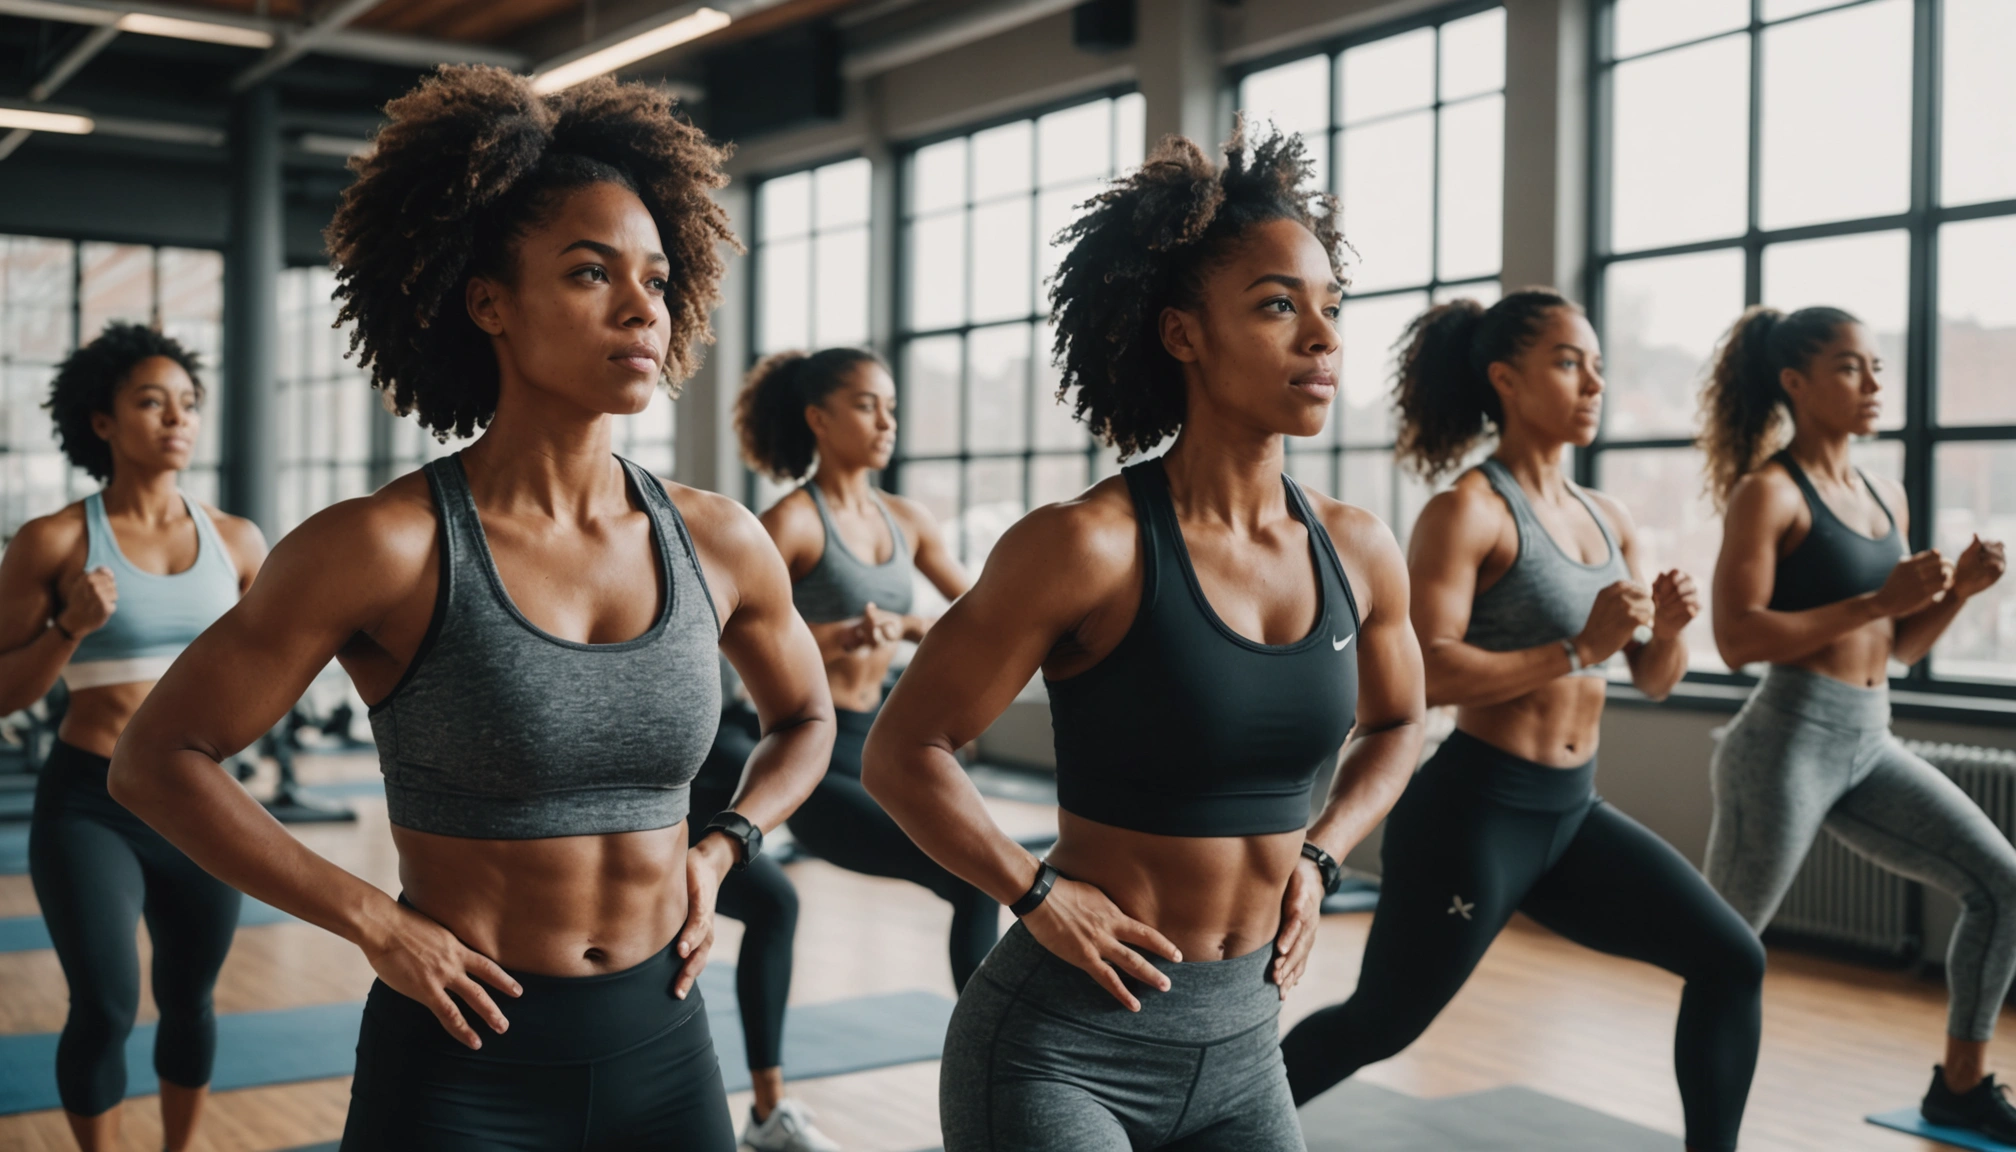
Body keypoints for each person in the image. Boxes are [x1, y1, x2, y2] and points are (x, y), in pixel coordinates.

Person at [105, 66, 835, 1151]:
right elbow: (157, 759)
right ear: (487, 300)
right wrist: (371, 920)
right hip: (459, 1070)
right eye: (591, 274)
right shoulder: (386, 546)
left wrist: (727, 844)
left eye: (656, 277)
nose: (641, 308)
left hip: (664, 1048)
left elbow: (806, 720)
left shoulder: (719, 538)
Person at [862, 125, 1427, 1152]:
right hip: (1061, 1051)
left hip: (1247, 1044)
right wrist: (1032, 894)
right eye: (1276, 306)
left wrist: (1324, 854)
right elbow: (903, 750)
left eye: (1329, 310)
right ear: (1181, 334)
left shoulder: (1359, 549)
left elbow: (1399, 723)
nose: (1322, 339)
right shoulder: (1087, 546)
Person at [1280, 289, 1767, 1152]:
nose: (1593, 385)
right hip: (1476, 813)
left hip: (1571, 813)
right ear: (1506, 378)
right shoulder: (1468, 510)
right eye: (1569, 363)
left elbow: (1651, 677)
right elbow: (1424, 670)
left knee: (1732, 960)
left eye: (1599, 367)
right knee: (1382, 1023)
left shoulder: (1606, 516)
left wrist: (1672, 632)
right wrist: (1579, 648)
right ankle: (1203, 1134)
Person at [1700, 305, 2016, 1141]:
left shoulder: (1886, 492)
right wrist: (1879, 598)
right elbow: (1735, 640)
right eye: (1850, 367)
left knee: (2004, 886)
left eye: (1875, 366)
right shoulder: (1767, 493)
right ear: (1795, 384)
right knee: (1723, 952)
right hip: (1784, 746)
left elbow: (1898, 647)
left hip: (1869, 740)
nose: (1874, 383)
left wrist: (1956, 597)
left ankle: (1960, 1082)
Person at [0, 323, 263, 1152]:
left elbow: (272, 672)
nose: (176, 419)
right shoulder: (54, 540)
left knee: (190, 998)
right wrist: (68, 629)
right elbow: (3, 690)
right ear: (103, 421)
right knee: (107, 1004)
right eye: (151, 402)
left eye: (187, 404)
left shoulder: (238, 541)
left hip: (203, 804)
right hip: (92, 802)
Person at [734, 347, 995, 996]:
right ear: (819, 419)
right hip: (814, 755)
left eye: (892, 408)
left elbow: (985, 624)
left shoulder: (907, 520)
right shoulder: (791, 524)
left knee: (982, 878)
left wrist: (906, 627)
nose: (887, 423)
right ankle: (992, 1054)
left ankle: (991, 1048)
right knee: (974, 874)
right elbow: (734, 639)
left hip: (886, 737)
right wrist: (839, 635)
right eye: (867, 406)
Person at [686, 657, 835, 1152]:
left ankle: (769, 1110)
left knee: (774, 903)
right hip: (690, 756)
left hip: (723, 732)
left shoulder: (727, 581)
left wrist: (725, 842)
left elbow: (804, 717)